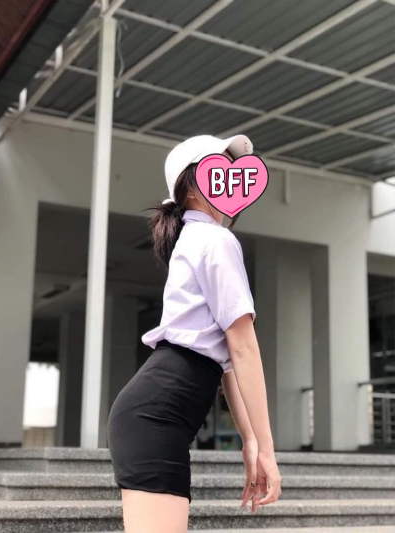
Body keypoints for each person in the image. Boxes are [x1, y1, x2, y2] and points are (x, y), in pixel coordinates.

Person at [107, 134, 282, 533]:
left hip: (153, 413)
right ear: (191, 185)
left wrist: (251, 441)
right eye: (221, 171)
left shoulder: (198, 239)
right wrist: (268, 452)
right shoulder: (215, 240)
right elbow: (244, 348)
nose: (232, 181)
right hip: (156, 415)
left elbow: (228, 361)